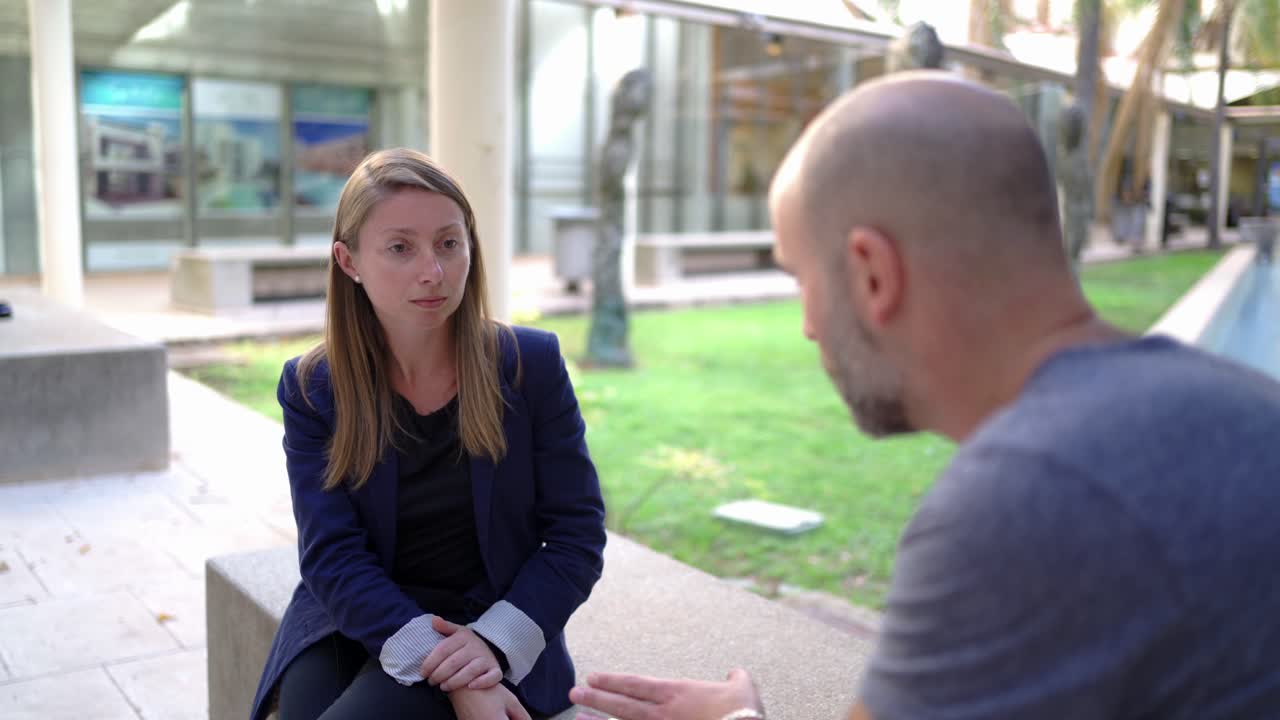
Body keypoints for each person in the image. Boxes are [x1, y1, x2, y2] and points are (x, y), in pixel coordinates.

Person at [571, 72, 1280, 720]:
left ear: (872, 272)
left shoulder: (1025, 500)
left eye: (800, 279)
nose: (809, 326)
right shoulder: (1245, 404)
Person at [252, 148, 607, 720]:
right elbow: (331, 554)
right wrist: (447, 666)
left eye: (449, 243)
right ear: (349, 261)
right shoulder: (315, 386)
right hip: (356, 616)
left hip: (493, 618)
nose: (432, 272)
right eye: (400, 248)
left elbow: (576, 534)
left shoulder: (529, 364)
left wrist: (487, 647)